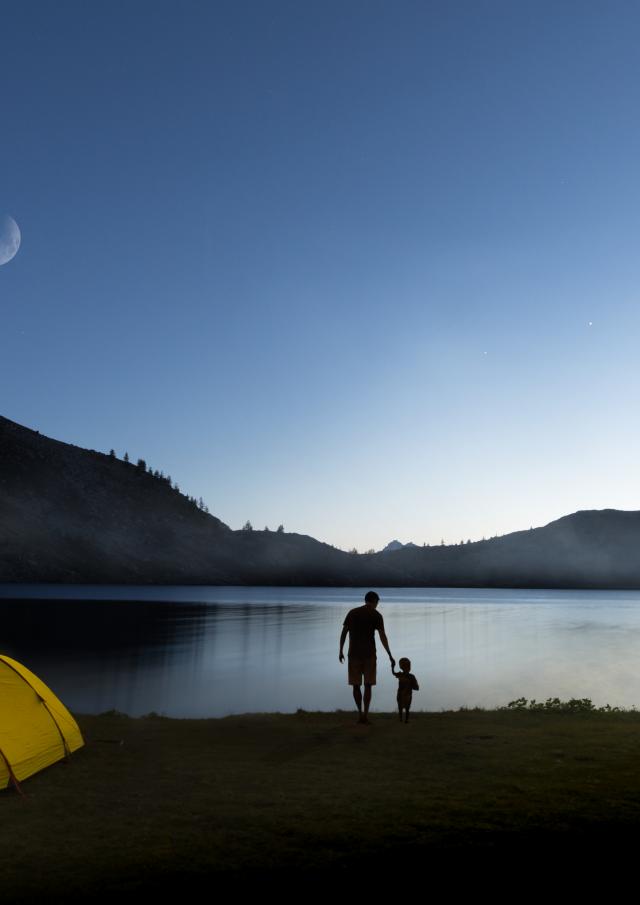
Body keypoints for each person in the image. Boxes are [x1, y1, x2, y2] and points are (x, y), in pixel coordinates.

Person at [339, 590, 395, 724]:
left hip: (353, 654)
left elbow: (344, 633)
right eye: (377, 602)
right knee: (368, 685)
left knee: (356, 685)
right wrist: (389, 654)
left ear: (365, 600)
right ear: (374, 601)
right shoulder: (376, 615)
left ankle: (359, 715)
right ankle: (365, 715)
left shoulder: (352, 613)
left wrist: (340, 650)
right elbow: (382, 636)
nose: (377, 604)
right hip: (369, 655)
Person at [392, 657, 419, 723]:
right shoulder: (407, 675)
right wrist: (392, 666)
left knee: (405, 707)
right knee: (403, 707)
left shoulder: (405, 676)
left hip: (406, 695)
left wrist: (392, 667)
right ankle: (403, 719)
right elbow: (416, 687)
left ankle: (404, 719)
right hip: (403, 694)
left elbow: (416, 687)